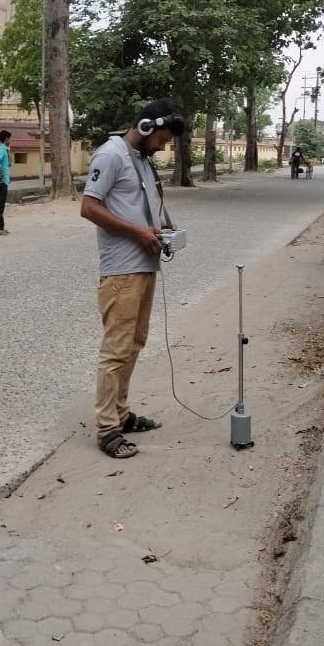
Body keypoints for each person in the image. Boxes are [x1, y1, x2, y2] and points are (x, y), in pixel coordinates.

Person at [81, 99, 185, 459]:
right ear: (145, 127)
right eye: (163, 138)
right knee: (116, 350)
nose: (164, 145)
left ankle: (121, 414)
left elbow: (141, 207)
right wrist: (138, 233)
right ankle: (107, 429)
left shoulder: (141, 159)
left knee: (134, 344)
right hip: (122, 269)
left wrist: (162, 228)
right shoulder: (110, 155)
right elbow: (89, 207)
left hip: (144, 266)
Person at [0, 130, 12, 235]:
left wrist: (9, 150)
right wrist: (0, 173)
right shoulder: (1, 149)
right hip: (1, 180)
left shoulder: (5, 149)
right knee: (0, 204)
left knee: (2, 204)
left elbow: (9, 164)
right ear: (6, 139)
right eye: (9, 138)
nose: (10, 140)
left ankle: (0, 227)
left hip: (4, 180)